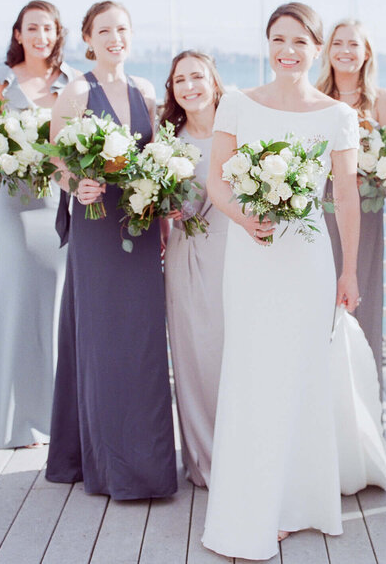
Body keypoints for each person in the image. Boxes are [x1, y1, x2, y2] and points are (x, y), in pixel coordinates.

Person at [201, 2, 386, 561]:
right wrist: (243, 216)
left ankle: (298, 499)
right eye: (278, 39)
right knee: (252, 370)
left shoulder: (337, 114)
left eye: (300, 41)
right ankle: (254, 502)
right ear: (268, 43)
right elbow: (216, 179)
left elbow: (347, 197)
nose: (288, 50)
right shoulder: (236, 103)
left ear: (316, 47)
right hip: (251, 254)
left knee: (303, 372)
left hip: (308, 257)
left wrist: (349, 269)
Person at [44, 0, 177, 499]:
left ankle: (149, 461)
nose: (114, 37)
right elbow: (57, 161)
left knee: (143, 340)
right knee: (102, 339)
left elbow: (157, 157)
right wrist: (77, 184)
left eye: (122, 28)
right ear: (88, 38)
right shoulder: (76, 91)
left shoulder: (145, 90)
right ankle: (109, 465)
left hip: (140, 226)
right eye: (105, 30)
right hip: (97, 229)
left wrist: (163, 217)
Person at [0, 0, 76, 449]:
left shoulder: (71, 81)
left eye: (48, 28)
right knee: (17, 293)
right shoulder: (1, 80)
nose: (40, 36)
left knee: (53, 297)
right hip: (14, 202)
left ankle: (54, 412)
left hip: (56, 201)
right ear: (18, 33)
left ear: (57, 34)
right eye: (32, 28)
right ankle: (8, 417)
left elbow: (74, 142)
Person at [317, 19, 386, 393]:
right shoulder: (313, 95)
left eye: (354, 44)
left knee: (360, 301)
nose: (346, 51)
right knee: (318, 305)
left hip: (364, 212)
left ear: (367, 53)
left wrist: (371, 175)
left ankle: (363, 408)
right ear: (327, 50)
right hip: (320, 209)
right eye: (339, 43)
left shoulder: (382, 100)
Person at [160, 50, 228, 487]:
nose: (189, 86)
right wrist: (167, 207)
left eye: (197, 76)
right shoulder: (168, 140)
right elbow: (160, 205)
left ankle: (244, 449)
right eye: (179, 79)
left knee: (234, 355)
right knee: (196, 356)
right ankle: (205, 459)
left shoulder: (237, 128)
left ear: (213, 81)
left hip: (238, 256)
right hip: (188, 256)